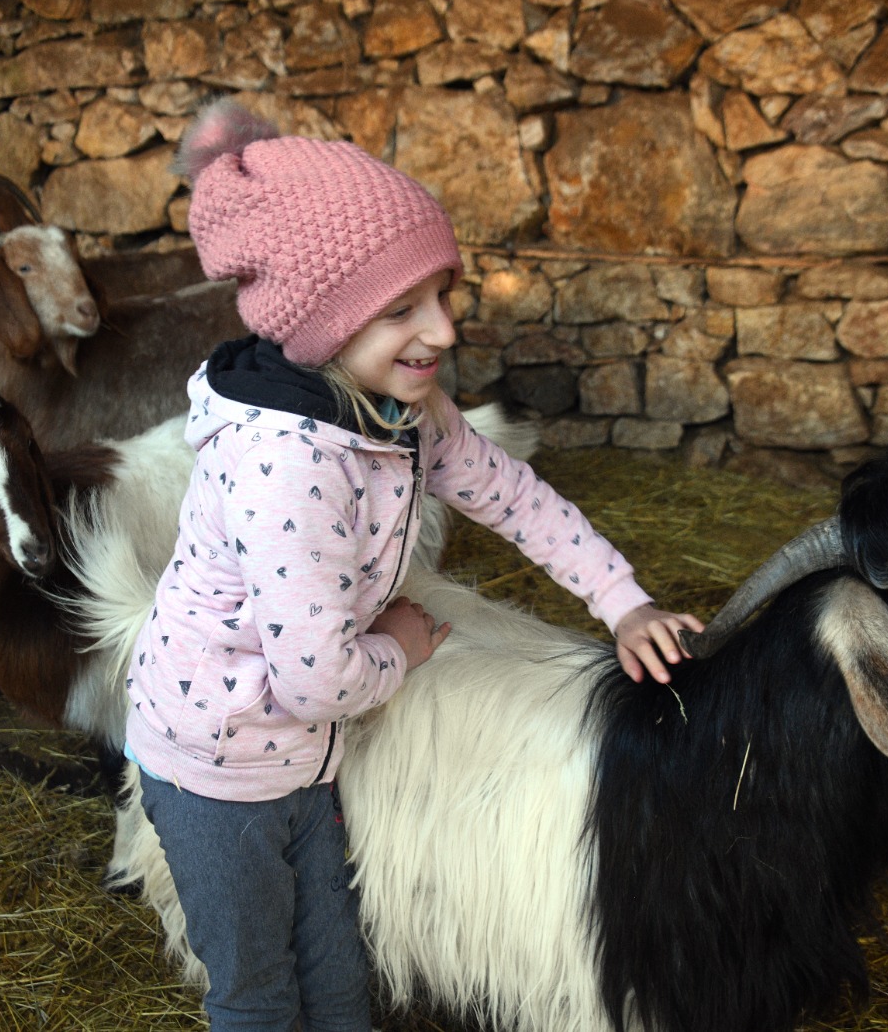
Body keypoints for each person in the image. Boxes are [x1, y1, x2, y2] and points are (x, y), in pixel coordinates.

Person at [125, 99, 704, 1032]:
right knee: (258, 990)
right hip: (215, 762)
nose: (441, 329)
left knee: (340, 971)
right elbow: (314, 676)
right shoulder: (289, 465)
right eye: (402, 309)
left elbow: (513, 497)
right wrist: (401, 646)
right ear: (319, 324)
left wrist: (621, 602)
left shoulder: (396, 412)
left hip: (303, 755)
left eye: (444, 293)